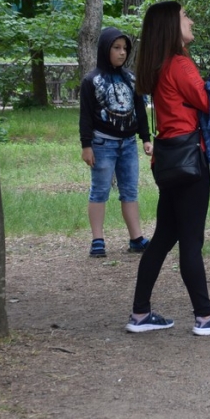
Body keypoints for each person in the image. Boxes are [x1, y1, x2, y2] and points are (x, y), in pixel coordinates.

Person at [127, 1, 210, 335]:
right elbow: (209, 102)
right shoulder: (178, 65)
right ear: (170, 25)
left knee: (165, 237)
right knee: (190, 241)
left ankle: (140, 314)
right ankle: (206, 318)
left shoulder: (161, 65)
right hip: (189, 163)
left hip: (170, 161)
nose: (191, 20)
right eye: (185, 16)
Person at [79, 27, 152, 258]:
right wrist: (86, 145)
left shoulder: (131, 78)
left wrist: (146, 138)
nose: (122, 53)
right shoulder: (92, 80)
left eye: (125, 49)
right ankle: (97, 240)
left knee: (129, 190)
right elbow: (86, 115)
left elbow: (140, 110)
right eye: (116, 48)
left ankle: (136, 238)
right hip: (103, 145)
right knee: (99, 190)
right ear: (105, 49)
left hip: (128, 144)